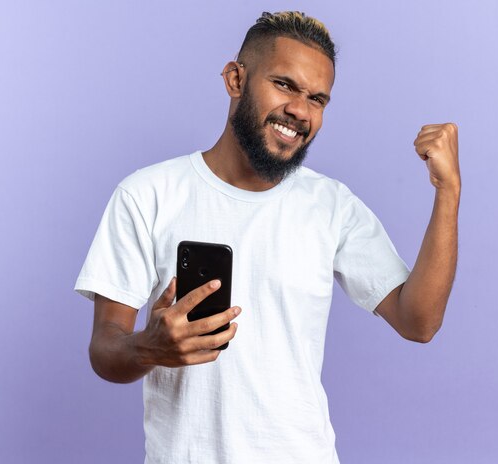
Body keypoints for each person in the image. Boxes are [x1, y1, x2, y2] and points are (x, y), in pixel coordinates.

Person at [74, 11, 460, 464]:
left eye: (318, 99)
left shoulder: (332, 205)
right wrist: (147, 345)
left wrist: (447, 192)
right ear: (236, 79)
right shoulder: (147, 194)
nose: (300, 111)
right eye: (284, 85)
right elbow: (105, 350)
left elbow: (419, 322)